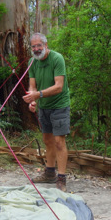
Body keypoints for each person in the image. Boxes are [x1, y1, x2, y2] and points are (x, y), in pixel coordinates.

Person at [22, 33, 71, 192]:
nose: (36, 49)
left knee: (59, 142)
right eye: (33, 46)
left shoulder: (57, 59)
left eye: (39, 45)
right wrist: (33, 100)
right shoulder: (32, 62)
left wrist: (38, 95)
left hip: (59, 105)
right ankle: (50, 173)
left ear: (46, 45)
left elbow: (59, 86)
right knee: (47, 140)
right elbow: (32, 86)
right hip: (44, 106)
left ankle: (61, 178)